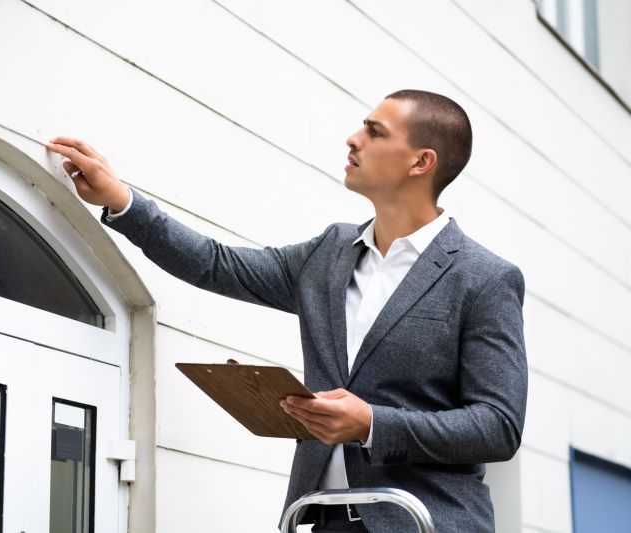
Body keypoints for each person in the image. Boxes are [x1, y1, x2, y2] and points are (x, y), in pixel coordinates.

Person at [47, 89, 527, 532]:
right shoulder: (330, 253)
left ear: (421, 162)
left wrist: (373, 424)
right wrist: (122, 202)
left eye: (375, 131)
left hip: (424, 522)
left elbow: (498, 426)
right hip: (317, 519)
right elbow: (218, 265)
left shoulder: (484, 279)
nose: (353, 138)